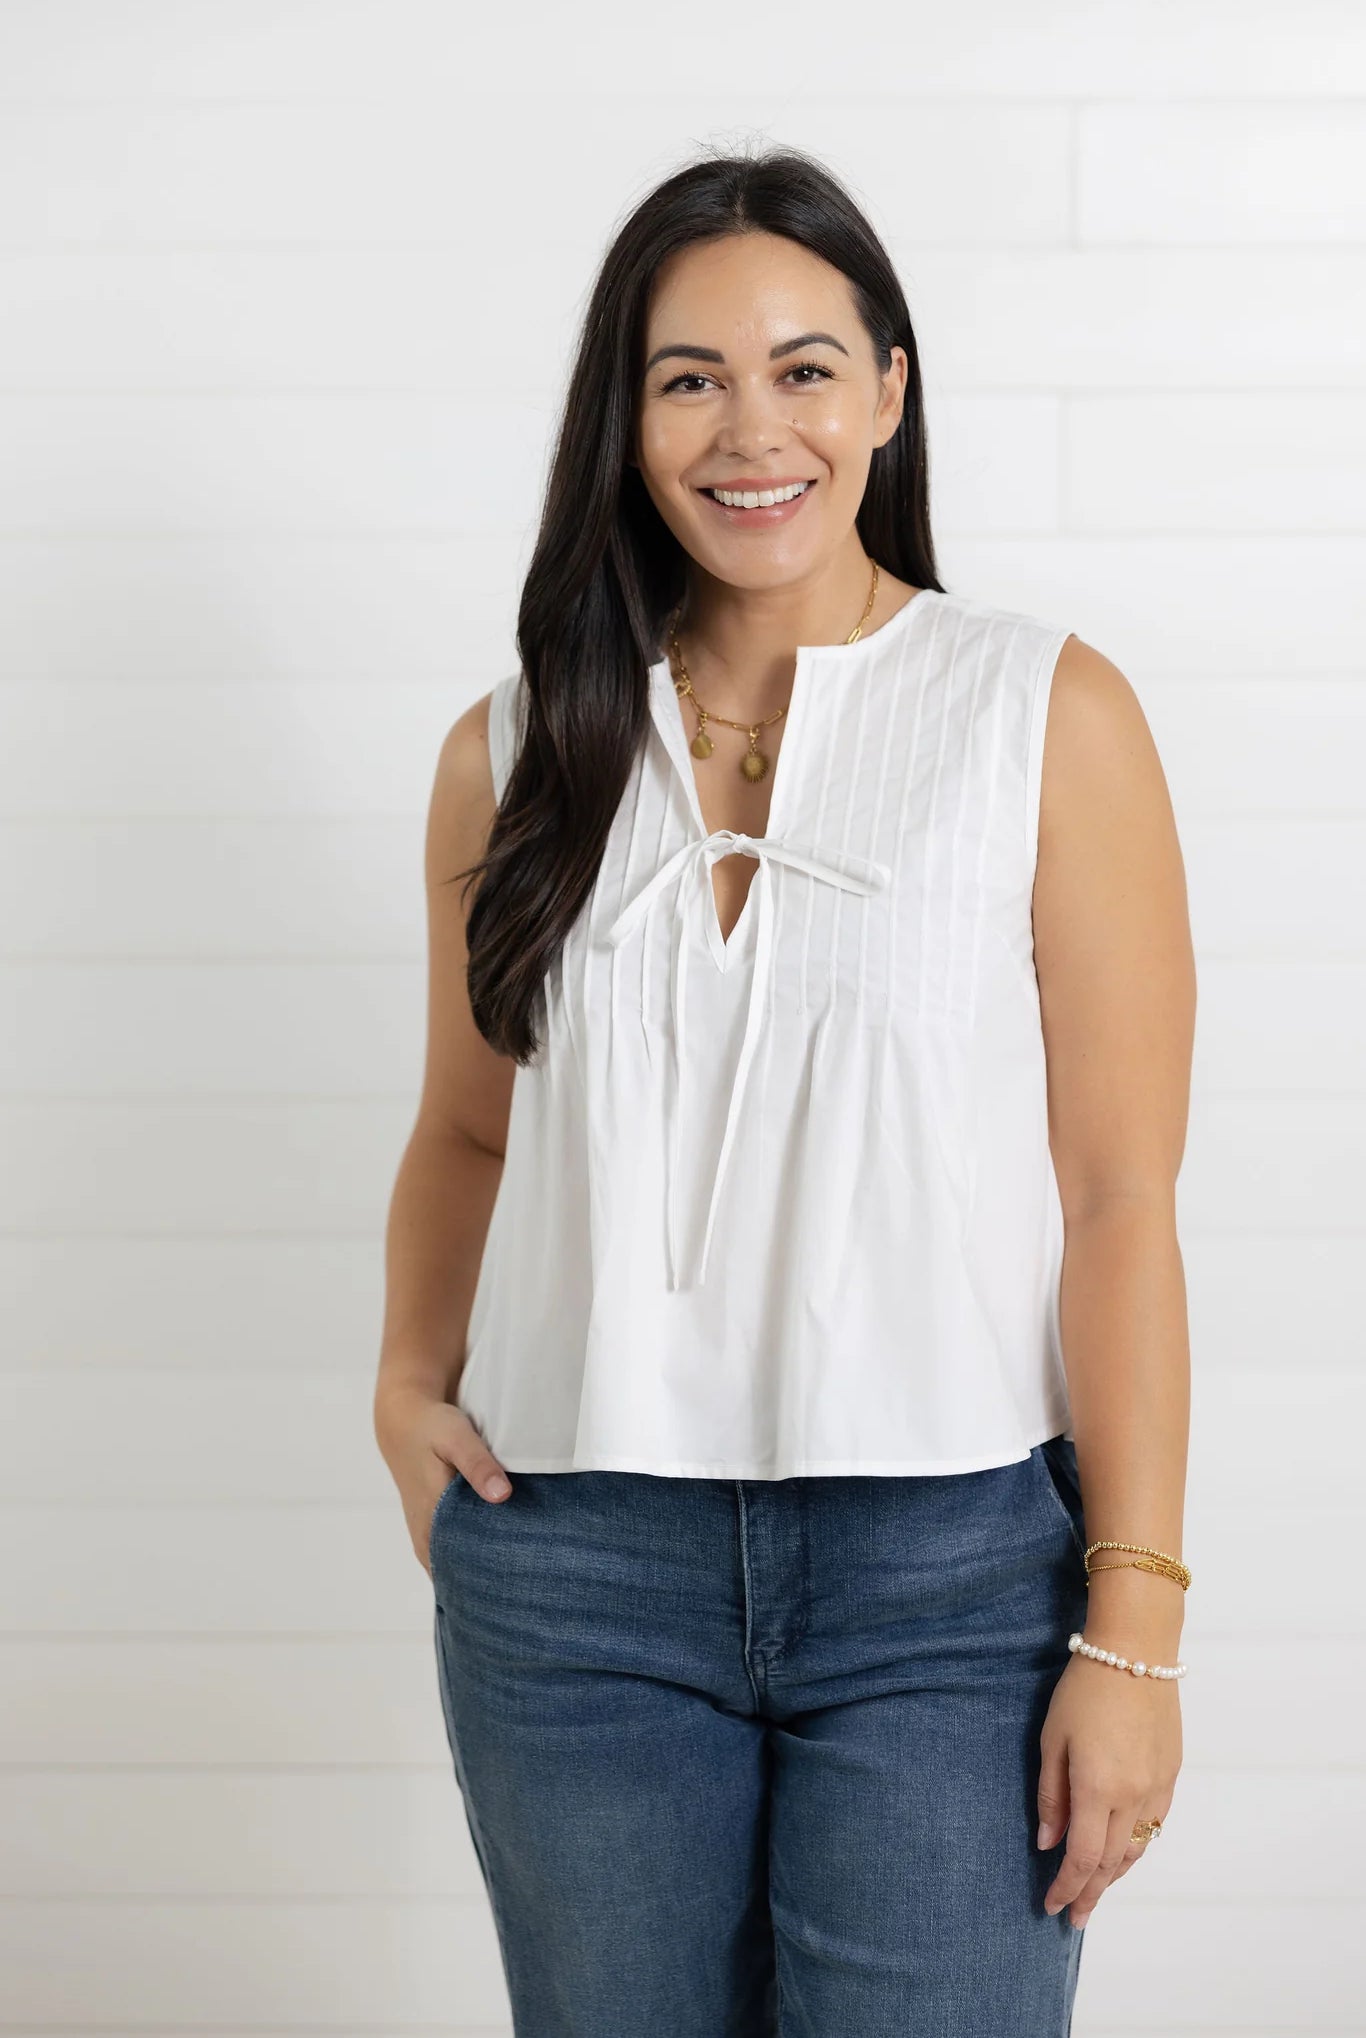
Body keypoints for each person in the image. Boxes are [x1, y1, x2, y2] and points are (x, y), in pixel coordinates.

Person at [373, 144, 1195, 2037]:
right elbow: (466, 1127)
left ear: (888, 392)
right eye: (690, 379)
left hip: (951, 1581)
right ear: (626, 419)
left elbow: (1117, 1196)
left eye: (803, 369)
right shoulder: (513, 748)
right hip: (574, 1572)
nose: (752, 431)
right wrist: (407, 1380)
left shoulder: (1041, 714)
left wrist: (1134, 1621)